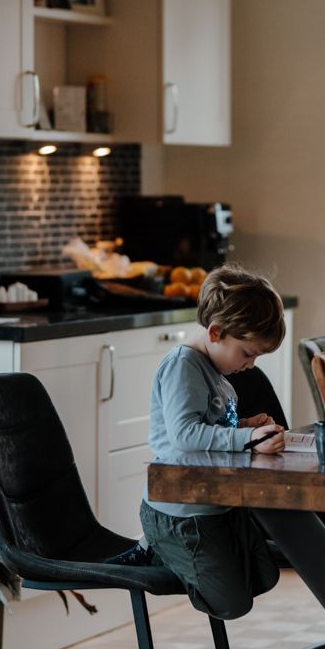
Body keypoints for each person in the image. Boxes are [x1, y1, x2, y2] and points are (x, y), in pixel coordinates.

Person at [109, 264, 286, 621]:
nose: (251, 365)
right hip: (180, 510)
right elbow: (186, 434)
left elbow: (212, 425)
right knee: (231, 603)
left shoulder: (216, 370)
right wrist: (247, 439)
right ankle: (158, 547)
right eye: (247, 353)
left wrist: (246, 426)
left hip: (213, 501)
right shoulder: (183, 365)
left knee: (265, 573)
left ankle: (175, 554)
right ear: (216, 332)